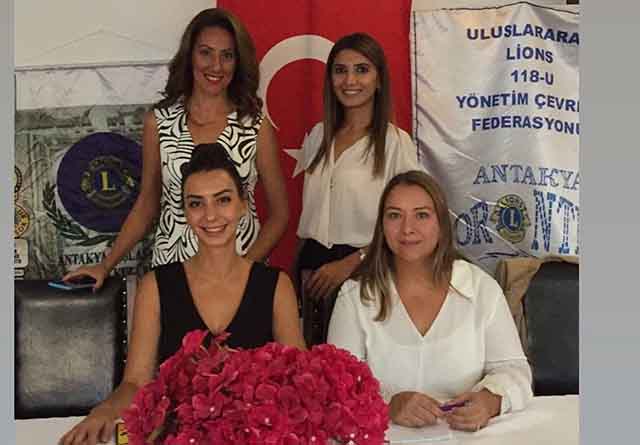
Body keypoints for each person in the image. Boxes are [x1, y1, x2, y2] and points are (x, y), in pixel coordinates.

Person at [59, 144, 305, 445]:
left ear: (243, 205)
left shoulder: (277, 286)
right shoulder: (155, 286)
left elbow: (300, 379)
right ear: (185, 212)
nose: (210, 215)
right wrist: (105, 410)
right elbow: (136, 381)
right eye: (196, 203)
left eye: (223, 200)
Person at [64, 8, 289, 288]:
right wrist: (105, 264)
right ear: (189, 56)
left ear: (238, 61)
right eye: (206, 53)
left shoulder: (255, 125)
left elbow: (280, 214)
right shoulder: (159, 122)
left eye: (227, 55)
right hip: (174, 272)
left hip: (241, 276)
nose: (216, 66)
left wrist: (244, 270)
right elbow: (146, 205)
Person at [327, 170, 532, 432]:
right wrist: (388, 405)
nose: (407, 229)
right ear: (381, 226)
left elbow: (516, 371)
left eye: (421, 215)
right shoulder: (354, 296)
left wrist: (490, 400)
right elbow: (336, 387)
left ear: (441, 224)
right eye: (394, 215)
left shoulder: (481, 289)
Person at [296, 33, 423, 345]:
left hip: (365, 270)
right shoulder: (317, 137)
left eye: (362, 70)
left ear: (378, 80)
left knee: (356, 363)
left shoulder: (395, 143)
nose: (350, 80)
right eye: (340, 71)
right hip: (312, 272)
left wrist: (351, 263)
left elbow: (409, 224)